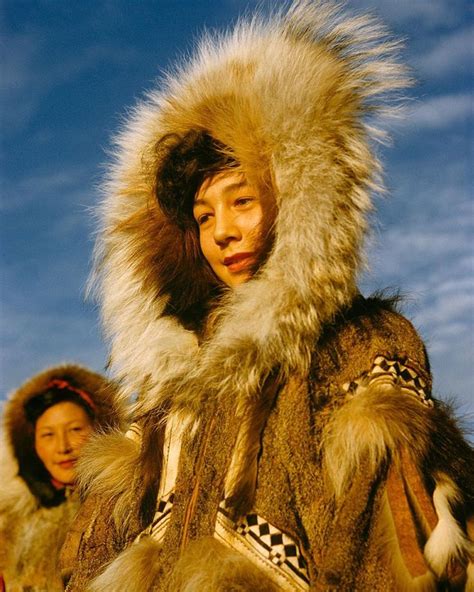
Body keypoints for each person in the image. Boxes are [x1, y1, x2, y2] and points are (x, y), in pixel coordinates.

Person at [64, 1, 473, 590]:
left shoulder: (362, 346)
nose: (222, 232)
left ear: (295, 202)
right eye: (203, 217)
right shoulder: (163, 403)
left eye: (242, 201)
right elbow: (93, 560)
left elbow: (387, 554)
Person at [0, 364, 122, 591]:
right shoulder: (8, 521)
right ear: (31, 444)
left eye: (75, 429)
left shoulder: (127, 507)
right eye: (48, 435)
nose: (63, 447)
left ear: (102, 429)